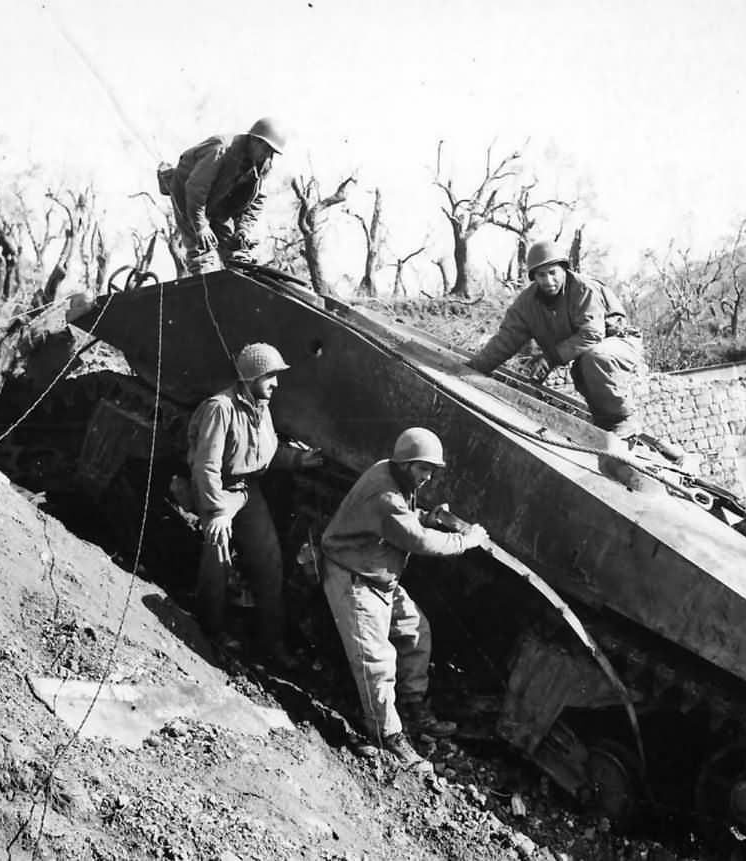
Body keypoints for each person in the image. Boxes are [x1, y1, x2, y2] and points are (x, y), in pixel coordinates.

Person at [319, 427, 489, 768]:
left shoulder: (394, 475)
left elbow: (403, 523)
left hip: (378, 574)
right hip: (355, 578)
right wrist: (466, 540)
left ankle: (414, 706)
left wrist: (427, 518)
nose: (428, 477)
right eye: (423, 469)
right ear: (406, 463)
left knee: (416, 630)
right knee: (376, 661)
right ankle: (387, 736)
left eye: (431, 470)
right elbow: (419, 541)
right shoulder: (385, 494)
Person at [187, 342, 322, 668]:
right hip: (220, 489)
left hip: (249, 491)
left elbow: (266, 451)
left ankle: (271, 641)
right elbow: (205, 465)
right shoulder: (221, 408)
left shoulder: (260, 406)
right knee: (217, 554)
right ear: (250, 377)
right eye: (270, 376)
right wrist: (217, 510)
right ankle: (211, 632)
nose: (276, 383)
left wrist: (300, 460)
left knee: (269, 560)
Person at [467, 240, 645, 437]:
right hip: (587, 351)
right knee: (581, 369)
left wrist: (550, 358)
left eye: (552, 273)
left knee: (595, 359)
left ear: (564, 270)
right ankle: (604, 425)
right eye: (541, 275)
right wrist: (474, 368)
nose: (548, 281)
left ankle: (623, 420)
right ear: (533, 277)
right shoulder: (527, 303)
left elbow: (591, 334)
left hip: (619, 342)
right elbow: (506, 339)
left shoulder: (582, 289)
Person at [157, 117, 287, 275]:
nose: (267, 156)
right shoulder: (221, 148)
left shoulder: (264, 163)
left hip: (219, 204)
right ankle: (207, 292)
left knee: (237, 255)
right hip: (188, 196)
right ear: (254, 140)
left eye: (271, 152)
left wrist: (243, 229)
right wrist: (201, 226)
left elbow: (257, 199)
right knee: (203, 255)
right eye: (266, 149)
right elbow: (195, 187)